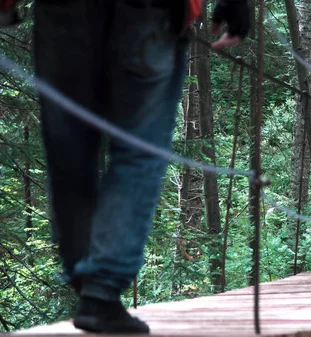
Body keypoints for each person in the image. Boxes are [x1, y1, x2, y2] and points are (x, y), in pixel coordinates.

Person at [0, 0, 249, 333]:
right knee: (137, 153)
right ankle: (100, 290)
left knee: (69, 149)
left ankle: (86, 279)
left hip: (63, 13)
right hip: (151, 12)